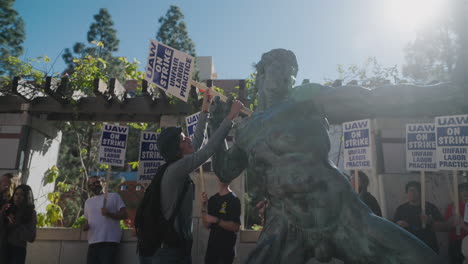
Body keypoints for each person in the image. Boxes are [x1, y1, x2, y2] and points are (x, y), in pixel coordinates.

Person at [209, 49, 442, 263]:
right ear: (261, 73)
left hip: (340, 212)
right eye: (281, 69)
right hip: (286, 223)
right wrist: (216, 128)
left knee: (418, 258)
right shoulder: (245, 130)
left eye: (291, 74)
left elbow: (370, 99)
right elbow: (224, 171)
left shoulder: (305, 99)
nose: (287, 78)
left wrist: (441, 94)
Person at [150, 90, 243, 264]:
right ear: (176, 148)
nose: (188, 140)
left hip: (178, 247)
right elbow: (208, 149)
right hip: (170, 252)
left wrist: (204, 109)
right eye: (183, 139)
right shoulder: (176, 168)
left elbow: (198, 140)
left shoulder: (176, 165)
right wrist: (230, 116)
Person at [83, 176, 128, 264]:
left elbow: (125, 215)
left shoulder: (114, 196)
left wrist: (109, 214)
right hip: (93, 243)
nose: (94, 186)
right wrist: (85, 226)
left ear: (103, 182)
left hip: (109, 242)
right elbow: (87, 221)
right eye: (91, 185)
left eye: (96, 182)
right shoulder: (88, 202)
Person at [393, 181, 444, 253]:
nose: (412, 193)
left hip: (428, 246)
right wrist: (399, 224)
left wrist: (431, 222)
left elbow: (443, 226)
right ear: (406, 193)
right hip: (409, 248)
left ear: (420, 192)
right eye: (410, 191)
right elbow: (393, 227)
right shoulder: (401, 209)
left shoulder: (429, 207)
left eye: (415, 191)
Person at [201, 179, 241, 264]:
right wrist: (203, 207)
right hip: (211, 251)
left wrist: (217, 220)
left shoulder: (234, 200)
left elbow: (236, 227)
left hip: (226, 252)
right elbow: (207, 225)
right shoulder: (213, 199)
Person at [1, 184, 37, 264]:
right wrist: (2, 214)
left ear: (27, 197)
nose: (18, 197)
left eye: (22, 195)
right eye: (16, 194)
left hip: (18, 250)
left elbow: (31, 237)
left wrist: (16, 224)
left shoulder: (31, 213)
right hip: (4, 248)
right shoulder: (8, 209)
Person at [445, 182, 468, 264]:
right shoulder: (452, 207)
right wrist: (452, 219)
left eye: (467, 190)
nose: (465, 193)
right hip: (455, 243)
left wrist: (462, 224)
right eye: (462, 191)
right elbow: (446, 227)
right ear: (458, 193)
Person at [0, 173, 13, 263]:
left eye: (5, 182)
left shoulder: (13, 200)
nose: (2, 184)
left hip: (7, 238)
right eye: (1, 181)